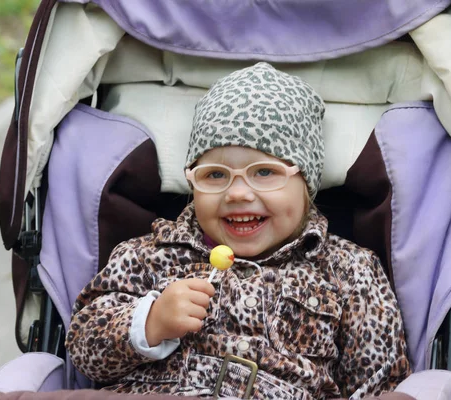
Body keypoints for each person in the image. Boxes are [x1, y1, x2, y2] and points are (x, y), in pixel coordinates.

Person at [66, 62, 412, 400]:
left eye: (265, 172)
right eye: (215, 175)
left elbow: (379, 381)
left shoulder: (350, 271)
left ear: (306, 183)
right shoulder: (147, 256)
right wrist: (149, 322)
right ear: (194, 182)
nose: (237, 193)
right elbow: (83, 348)